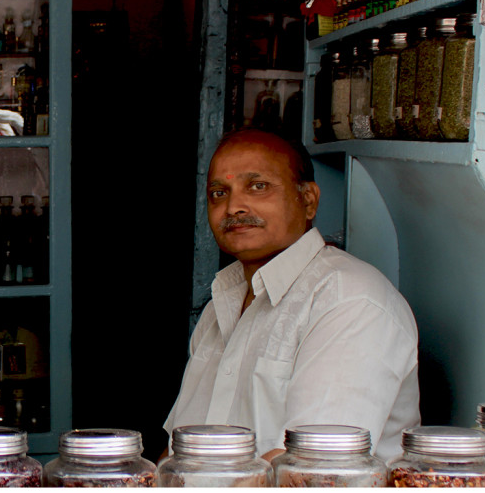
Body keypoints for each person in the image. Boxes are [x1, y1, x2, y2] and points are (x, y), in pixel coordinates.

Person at [163, 128, 420, 463]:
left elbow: (312, 467)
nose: (234, 207)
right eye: (219, 193)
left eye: (258, 186)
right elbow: (178, 453)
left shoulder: (350, 300)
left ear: (308, 200)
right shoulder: (222, 306)